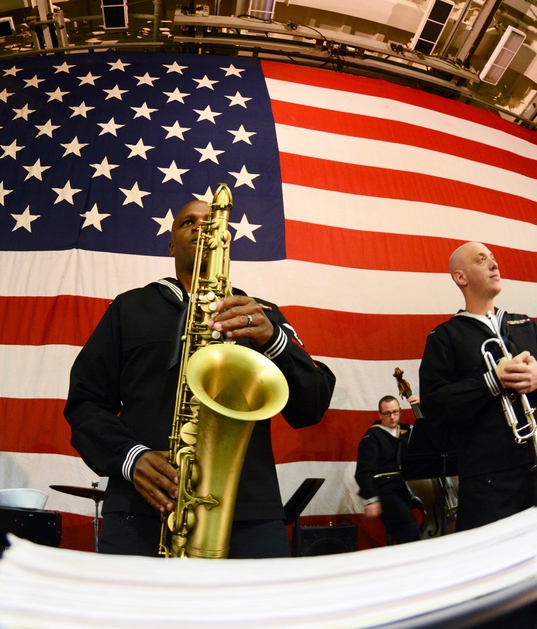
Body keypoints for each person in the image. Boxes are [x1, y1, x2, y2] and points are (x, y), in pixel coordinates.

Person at [65, 198, 336, 558]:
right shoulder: (129, 308)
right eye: (188, 222)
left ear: (225, 239)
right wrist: (130, 458)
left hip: (250, 517)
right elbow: (86, 403)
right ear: (171, 244)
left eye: (211, 222)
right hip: (142, 510)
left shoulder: (262, 315)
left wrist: (272, 339)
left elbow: (312, 405)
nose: (201, 227)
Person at [419, 241, 537, 629]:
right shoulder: (445, 337)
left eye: (493, 257)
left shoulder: (525, 325)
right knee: (479, 584)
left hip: (532, 471)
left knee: (528, 579)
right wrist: (491, 381)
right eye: (481, 260)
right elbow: (435, 405)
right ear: (460, 277)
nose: (494, 262)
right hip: (485, 478)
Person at [354, 395, 421, 545]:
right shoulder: (372, 437)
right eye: (387, 413)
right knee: (408, 527)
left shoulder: (408, 431)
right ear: (380, 415)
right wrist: (371, 499)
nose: (392, 417)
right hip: (387, 488)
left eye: (396, 412)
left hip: (410, 486)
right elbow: (363, 471)